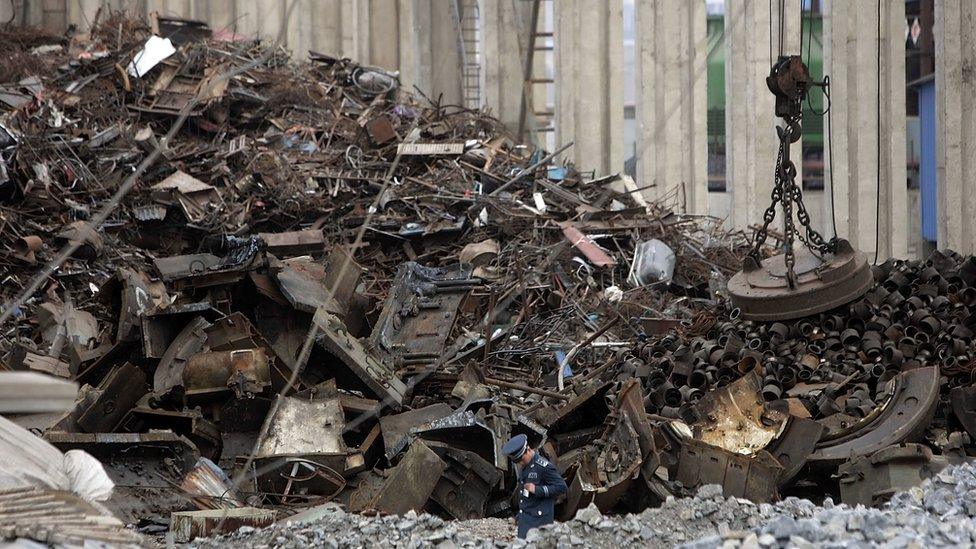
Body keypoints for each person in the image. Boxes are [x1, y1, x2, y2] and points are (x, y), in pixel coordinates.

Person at [502, 434, 567, 539]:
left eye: (521, 459)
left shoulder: (543, 467)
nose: (520, 463)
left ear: (527, 450)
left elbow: (562, 487)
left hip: (540, 523)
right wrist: (518, 518)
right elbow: (528, 499)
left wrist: (537, 489)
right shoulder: (525, 468)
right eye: (517, 461)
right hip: (526, 521)